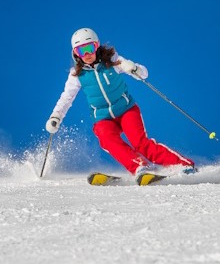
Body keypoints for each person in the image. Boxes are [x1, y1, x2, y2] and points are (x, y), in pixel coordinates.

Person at [46, 27, 194, 182]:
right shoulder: (77, 74)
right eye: (82, 51)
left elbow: (144, 74)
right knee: (106, 138)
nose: (87, 54)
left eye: (90, 48)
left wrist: (134, 68)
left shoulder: (112, 61)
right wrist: (56, 116)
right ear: (76, 53)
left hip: (126, 111)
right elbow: (66, 98)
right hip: (103, 118)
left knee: (140, 144)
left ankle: (184, 165)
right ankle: (140, 167)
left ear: (97, 47)